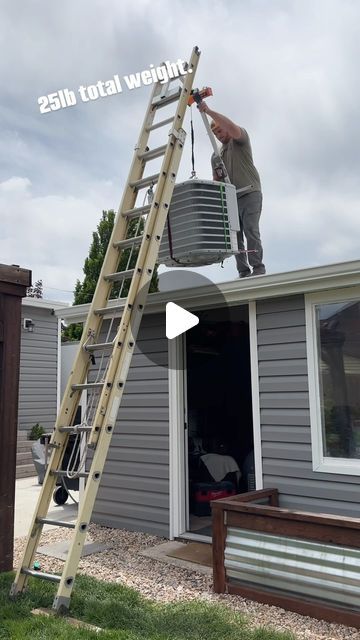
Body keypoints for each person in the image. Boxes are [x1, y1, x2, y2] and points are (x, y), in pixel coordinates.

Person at [198, 101, 265, 277]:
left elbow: (232, 128)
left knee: (251, 230)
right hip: (232, 199)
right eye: (215, 133)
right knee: (235, 236)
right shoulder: (216, 155)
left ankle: (258, 268)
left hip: (250, 193)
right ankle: (243, 271)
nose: (219, 135)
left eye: (220, 130)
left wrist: (209, 111)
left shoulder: (240, 140)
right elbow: (217, 181)